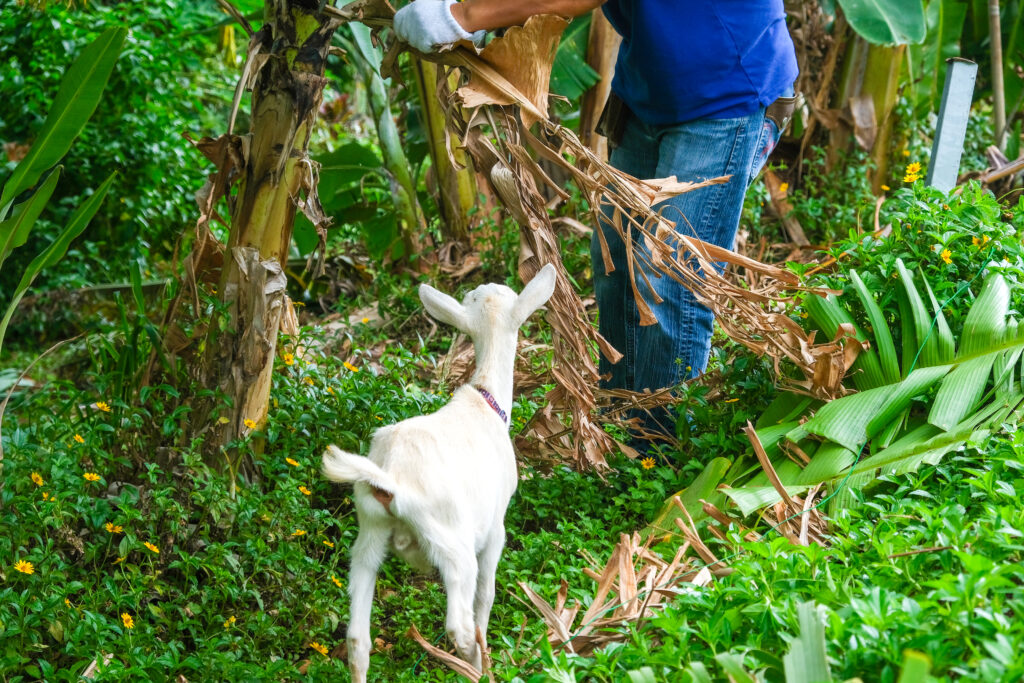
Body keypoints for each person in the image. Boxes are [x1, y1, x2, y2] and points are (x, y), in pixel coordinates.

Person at [395, 0, 798, 438]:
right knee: (616, 262)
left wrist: (465, 15)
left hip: (725, 93)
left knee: (669, 280)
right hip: (649, 91)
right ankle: (620, 430)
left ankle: (660, 451)